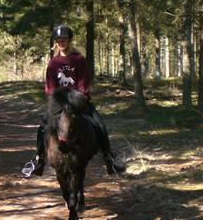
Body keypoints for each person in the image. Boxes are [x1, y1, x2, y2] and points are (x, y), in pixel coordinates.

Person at [22, 25, 125, 178]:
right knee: (43, 127)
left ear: (69, 40)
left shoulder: (79, 60)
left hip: (78, 102)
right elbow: (50, 87)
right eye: (58, 40)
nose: (61, 42)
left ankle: (109, 159)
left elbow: (84, 84)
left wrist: (78, 99)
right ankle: (39, 160)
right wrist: (56, 100)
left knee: (99, 124)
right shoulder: (53, 63)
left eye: (63, 39)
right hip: (59, 103)